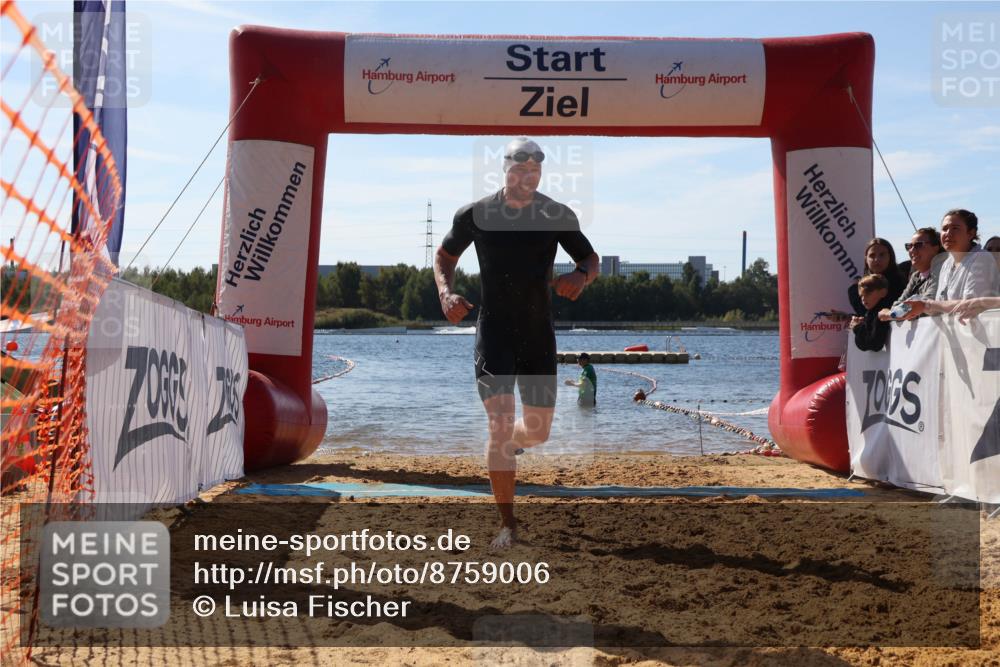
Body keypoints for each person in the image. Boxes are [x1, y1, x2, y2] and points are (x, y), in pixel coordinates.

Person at [434, 137, 599, 550]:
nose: (527, 177)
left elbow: (590, 259)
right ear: (505, 170)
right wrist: (445, 293)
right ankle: (508, 524)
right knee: (501, 422)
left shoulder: (556, 214)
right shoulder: (476, 214)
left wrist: (581, 276)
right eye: (520, 170)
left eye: (534, 171)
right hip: (495, 332)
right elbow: (444, 256)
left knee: (538, 432)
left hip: (537, 333)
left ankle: (507, 447)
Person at [902, 209, 1000, 319]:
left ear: (971, 233)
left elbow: (970, 305)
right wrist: (914, 307)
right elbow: (940, 306)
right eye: (944, 229)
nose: (948, 233)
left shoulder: (982, 258)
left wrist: (925, 305)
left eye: (955, 228)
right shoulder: (946, 264)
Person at [828, 237, 905, 321]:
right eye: (872, 255)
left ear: (890, 257)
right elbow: (867, 316)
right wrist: (846, 317)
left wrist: (854, 292)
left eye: (882, 255)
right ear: (866, 259)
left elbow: (879, 317)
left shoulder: (900, 283)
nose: (877, 259)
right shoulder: (857, 288)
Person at [877, 227, 945, 321]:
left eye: (918, 245)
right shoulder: (916, 276)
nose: (912, 250)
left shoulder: (942, 271)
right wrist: (897, 312)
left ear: (935, 248)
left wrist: (890, 314)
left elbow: (925, 305)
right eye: (909, 246)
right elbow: (897, 305)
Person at [851, 274, 893, 351]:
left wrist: (857, 327)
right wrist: (861, 326)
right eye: (861, 296)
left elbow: (874, 345)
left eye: (868, 294)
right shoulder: (871, 312)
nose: (863, 299)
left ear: (883, 292)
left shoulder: (882, 313)